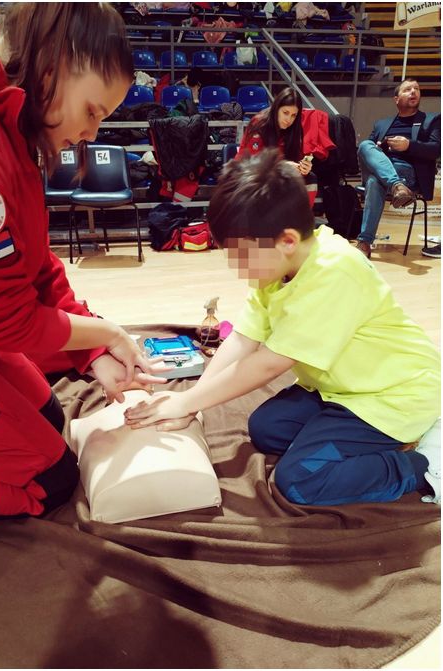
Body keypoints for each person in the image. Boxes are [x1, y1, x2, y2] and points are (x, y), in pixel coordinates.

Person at [0, 3, 165, 519]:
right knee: (48, 485)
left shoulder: (8, 107)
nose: (91, 134)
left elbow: (33, 263)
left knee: (49, 414)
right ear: (56, 61)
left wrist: (92, 352)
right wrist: (107, 333)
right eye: (93, 111)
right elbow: (7, 320)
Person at [125, 148, 441, 507]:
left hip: (392, 397)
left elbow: (270, 364)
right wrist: (192, 403)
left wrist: (186, 402)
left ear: (287, 241)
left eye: (242, 257)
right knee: (266, 429)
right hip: (339, 390)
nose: (237, 269)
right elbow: (243, 339)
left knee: (299, 481)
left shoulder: (335, 271)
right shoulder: (279, 268)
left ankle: (421, 465)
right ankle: (350, 441)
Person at [355, 78, 441, 259]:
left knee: (374, 182)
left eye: (416, 88)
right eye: (407, 89)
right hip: (385, 171)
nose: (413, 92)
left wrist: (408, 145)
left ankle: (364, 242)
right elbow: (368, 152)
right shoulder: (381, 124)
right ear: (396, 99)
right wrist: (379, 148)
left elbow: (436, 149)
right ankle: (396, 186)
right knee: (365, 145)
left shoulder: (431, 120)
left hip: (408, 174)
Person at [236, 86, 335, 208]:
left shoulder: (295, 128)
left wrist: (303, 167)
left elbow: (295, 158)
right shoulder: (259, 123)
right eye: (285, 113)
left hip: (277, 171)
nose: (289, 119)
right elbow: (254, 162)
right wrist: (283, 165)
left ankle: (301, 218)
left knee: (310, 178)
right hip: (250, 171)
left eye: (294, 115)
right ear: (276, 108)